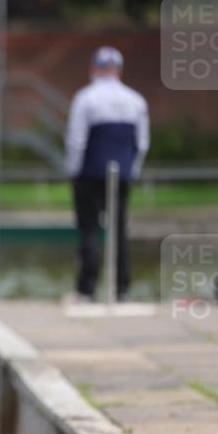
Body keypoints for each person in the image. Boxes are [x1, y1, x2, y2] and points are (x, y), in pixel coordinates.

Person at [65, 46, 150, 302]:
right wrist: (132, 170)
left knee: (89, 229)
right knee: (120, 230)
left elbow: (76, 140)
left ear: (94, 69)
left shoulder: (85, 98)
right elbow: (142, 143)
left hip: (89, 173)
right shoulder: (136, 100)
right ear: (119, 71)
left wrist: (73, 170)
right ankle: (121, 289)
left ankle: (86, 289)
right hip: (121, 174)